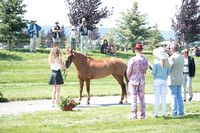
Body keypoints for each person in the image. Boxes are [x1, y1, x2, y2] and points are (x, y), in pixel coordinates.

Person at [127, 44, 148, 119]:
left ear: (136, 50)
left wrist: (129, 77)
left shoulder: (133, 59)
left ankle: (134, 115)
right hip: (142, 80)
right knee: (142, 98)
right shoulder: (145, 59)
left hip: (134, 80)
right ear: (141, 50)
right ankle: (143, 115)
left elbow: (129, 70)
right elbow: (146, 69)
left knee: (134, 98)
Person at [151, 47, 170, 118]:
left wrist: (151, 70)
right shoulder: (167, 62)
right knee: (163, 97)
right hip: (164, 80)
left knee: (157, 98)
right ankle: (164, 113)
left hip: (157, 80)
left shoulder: (156, 61)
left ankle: (156, 113)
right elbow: (168, 72)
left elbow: (153, 73)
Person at [168, 43, 184, 116]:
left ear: (173, 49)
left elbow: (169, 69)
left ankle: (174, 112)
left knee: (173, 96)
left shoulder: (172, 57)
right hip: (180, 78)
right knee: (179, 96)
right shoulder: (181, 56)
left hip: (173, 78)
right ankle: (181, 112)